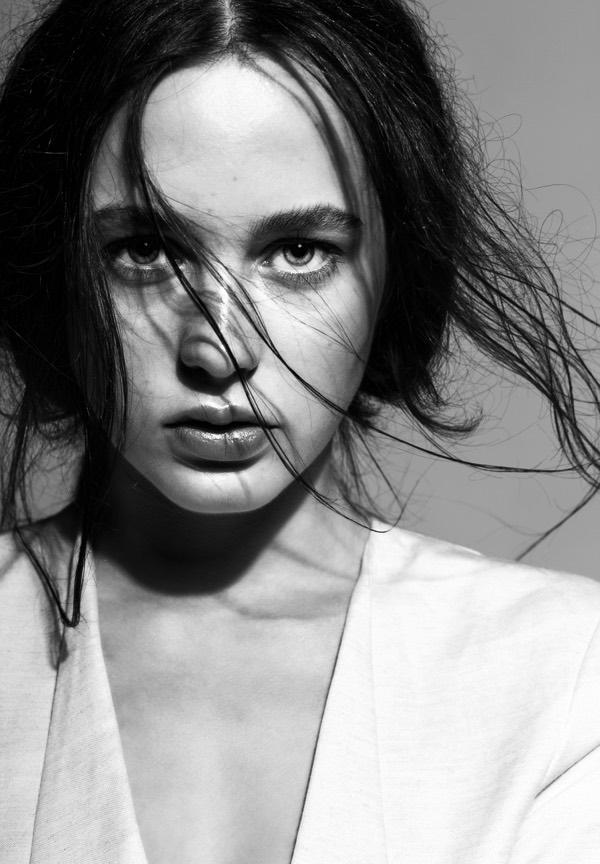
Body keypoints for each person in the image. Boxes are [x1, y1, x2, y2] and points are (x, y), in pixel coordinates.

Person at [1, 0, 599, 862]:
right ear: (51, 265)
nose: (219, 348)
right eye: (145, 250)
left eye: (297, 252)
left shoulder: (561, 677)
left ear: (394, 271)